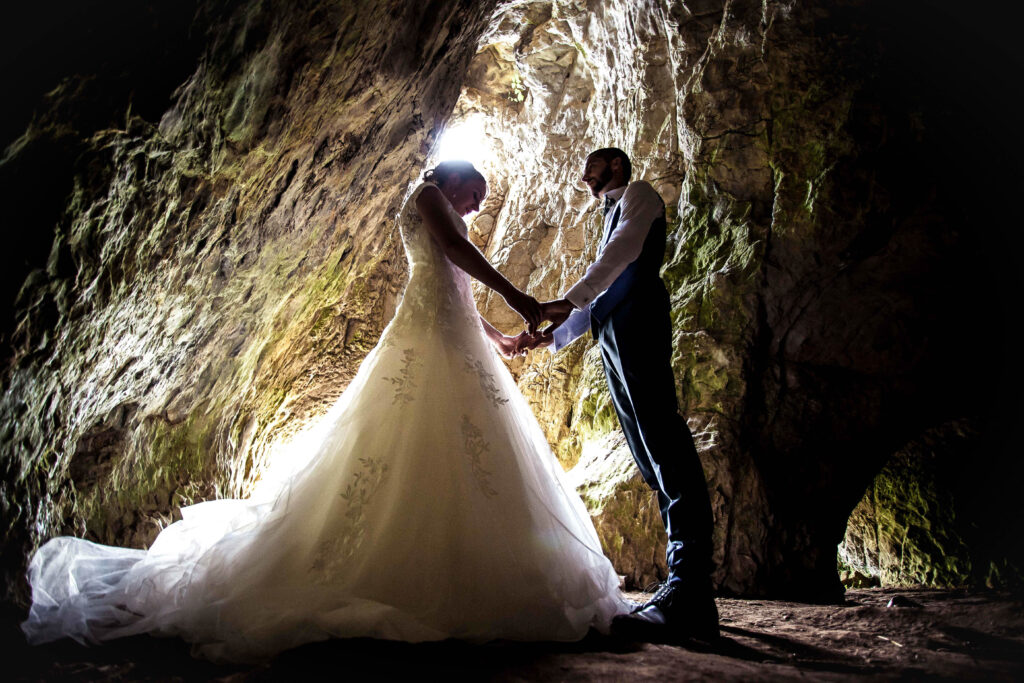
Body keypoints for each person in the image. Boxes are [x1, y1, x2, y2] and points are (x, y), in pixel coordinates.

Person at [21, 160, 628, 662]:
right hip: (420, 343)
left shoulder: (446, 207)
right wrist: (517, 296)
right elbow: (448, 252)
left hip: (451, 338)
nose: (476, 206)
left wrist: (502, 338)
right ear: (454, 178)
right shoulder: (425, 195)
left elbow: (457, 293)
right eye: (476, 194)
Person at [524, 148, 719, 642]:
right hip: (612, 332)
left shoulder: (639, 196)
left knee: (664, 438)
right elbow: (605, 290)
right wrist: (555, 334)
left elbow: (625, 253)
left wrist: (567, 298)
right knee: (647, 455)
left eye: (592, 164)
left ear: (615, 165)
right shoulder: (610, 212)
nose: (584, 173)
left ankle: (690, 591)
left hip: (639, 321)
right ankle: (681, 586)